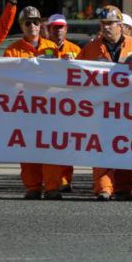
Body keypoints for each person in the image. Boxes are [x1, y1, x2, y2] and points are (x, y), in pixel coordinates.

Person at [77, 6, 132, 200]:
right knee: (102, 147)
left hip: (129, 108)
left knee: (126, 147)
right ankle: (104, 188)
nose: (107, 28)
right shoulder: (90, 48)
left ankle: (124, 188)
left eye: (111, 24)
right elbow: (76, 75)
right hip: (101, 108)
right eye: (103, 24)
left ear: (120, 25)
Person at [3, 6, 59, 199]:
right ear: (21, 25)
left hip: (49, 107)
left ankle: (52, 187)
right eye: (28, 22)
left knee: (51, 147)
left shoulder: (52, 48)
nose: (33, 26)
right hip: (24, 108)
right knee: (27, 148)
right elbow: (5, 78)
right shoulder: (12, 50)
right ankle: (33, 187)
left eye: (36, 21)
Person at [43, 14, 82, 195]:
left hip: (69, 105)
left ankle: (66, 180)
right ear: (48, 29)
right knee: (48, 145)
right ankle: (51, 182)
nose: (58, 31)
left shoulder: (75, 49)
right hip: (46, 104)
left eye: (61, 27)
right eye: (54, 27)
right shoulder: (42, 49)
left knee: (67, 143)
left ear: (66, 29)